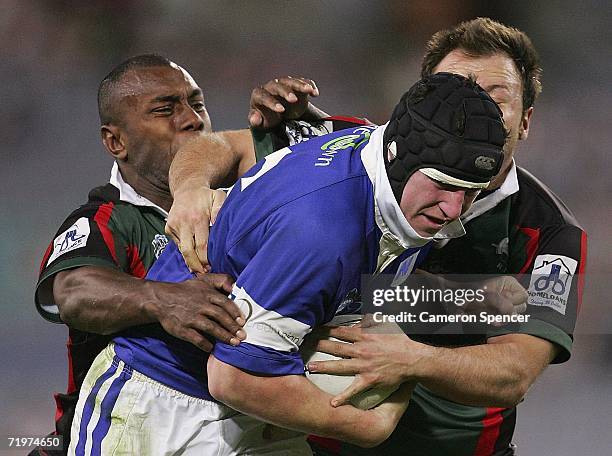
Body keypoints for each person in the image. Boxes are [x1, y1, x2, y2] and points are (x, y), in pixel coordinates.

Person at [168, 18, 587, 456]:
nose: (473, 110)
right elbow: (224, 147)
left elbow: (516, 371)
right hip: (323, 441)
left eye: (496, 99)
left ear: (525, 121)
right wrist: (191, 189)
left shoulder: (553, 233)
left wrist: (413, 357)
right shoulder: (365, 151)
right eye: (458, 90)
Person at [67, 73, 507, 455]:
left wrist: (417, 353)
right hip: (166, 408)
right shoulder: (323, 228)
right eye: (442, 185)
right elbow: (234, 376)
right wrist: (370, 426)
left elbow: (519, 346)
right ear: (398, 150)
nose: (454, 208)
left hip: (262, 407)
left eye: (471, 191)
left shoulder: (538, 223)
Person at [34, 54, 313, 455]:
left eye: (196, 104)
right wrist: (163, 298)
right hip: (122, 432)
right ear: (116, 141)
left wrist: (302, 127)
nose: (192, 119)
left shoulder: (246, 200)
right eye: (165, 110)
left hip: (250, 429)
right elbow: (74, 291)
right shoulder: (107, 220)